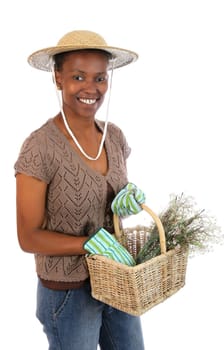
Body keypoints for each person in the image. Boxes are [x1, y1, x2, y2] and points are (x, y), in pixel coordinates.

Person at [14, 30, 145, 350]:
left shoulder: (114, 136)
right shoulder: (39, 148)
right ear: (58, 79)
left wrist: (127, 202)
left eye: (100, 78)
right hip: (68, 293)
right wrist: (89, 244)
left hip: (118, 280)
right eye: (78, 76)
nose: (91, 88)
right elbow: (28, 237)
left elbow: (107, 201)